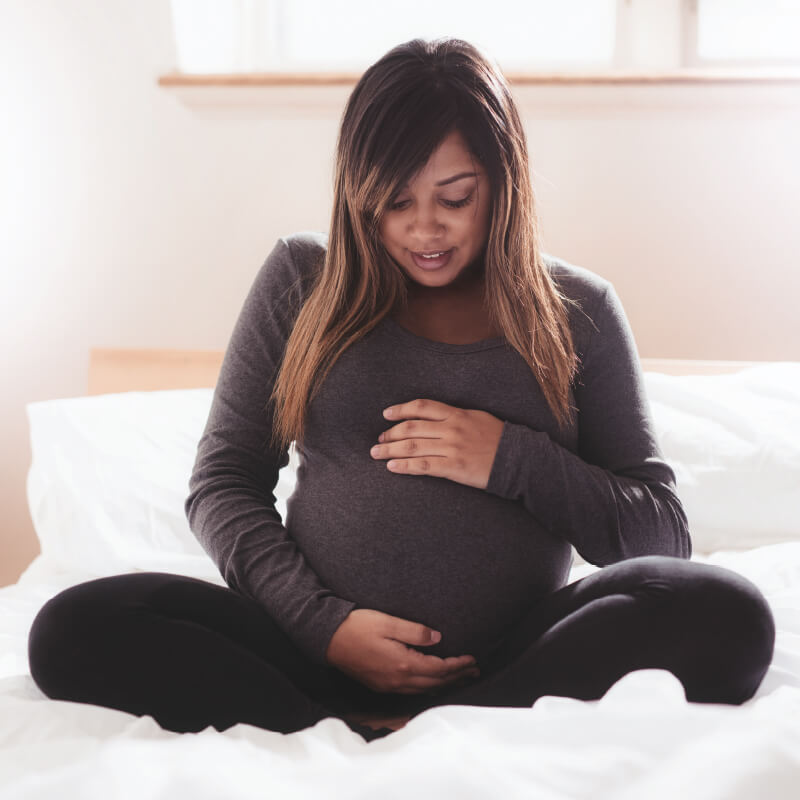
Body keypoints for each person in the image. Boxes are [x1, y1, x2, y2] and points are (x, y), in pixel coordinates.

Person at [27, 37, 775, 743]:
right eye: (394, 201)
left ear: (502, 184)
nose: (425, 229)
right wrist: (324, 625)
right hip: (310, 652)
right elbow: (223, 484)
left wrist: (509, 458)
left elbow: (660, 534)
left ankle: (440, 720)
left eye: (455, 197)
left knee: (728, 614)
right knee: (72, 628)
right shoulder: (301, 282)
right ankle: (342, 720)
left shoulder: (579, 310)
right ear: (358, 193)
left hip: (516, 659)